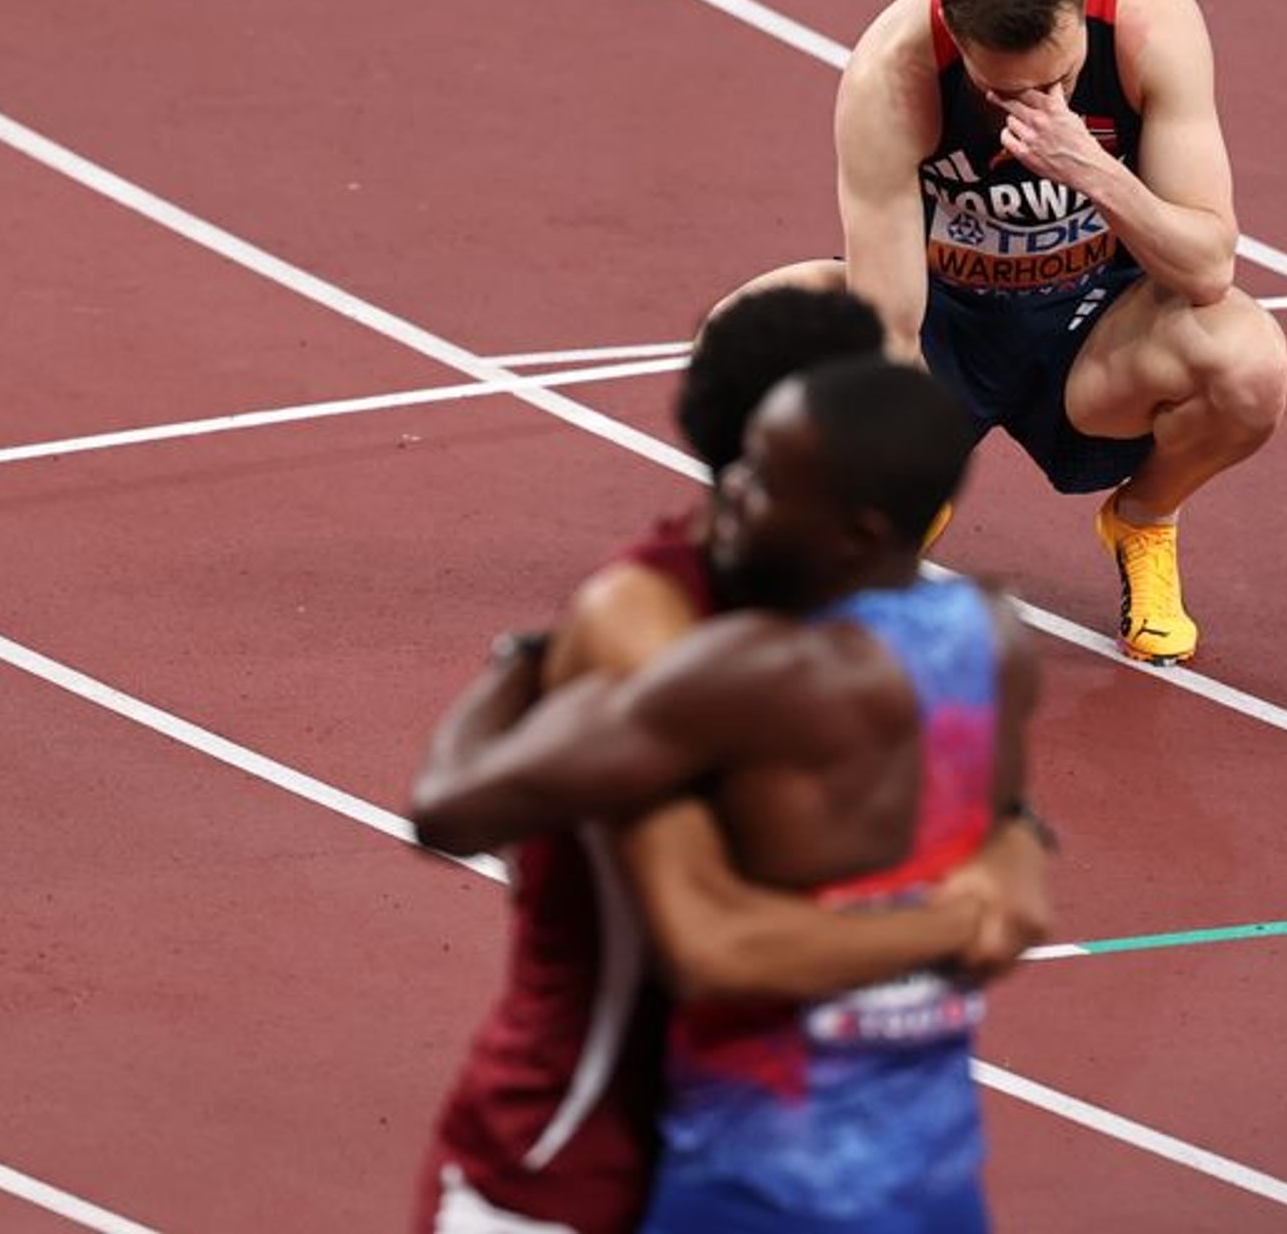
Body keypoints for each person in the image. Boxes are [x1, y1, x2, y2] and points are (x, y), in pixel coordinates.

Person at [409, 291, 1048, 1234]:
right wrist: (966, 914)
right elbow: (713, 940)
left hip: (759, 1151)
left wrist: (1011, 838)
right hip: (578, 1156)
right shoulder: (655, 630)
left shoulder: (861, 618)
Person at [729, 0, 1287, 665]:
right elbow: (890, 324)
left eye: (1059, 79)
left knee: (1250, 363)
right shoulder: (891, 75)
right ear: (957, 38)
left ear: (1079, 14)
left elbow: (1207, 268)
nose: (1038, 106)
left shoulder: (1149, 22)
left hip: (1096, 326)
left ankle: (1144, 519)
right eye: (1004, 92)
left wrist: (1088, 167)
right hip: (943, 320)